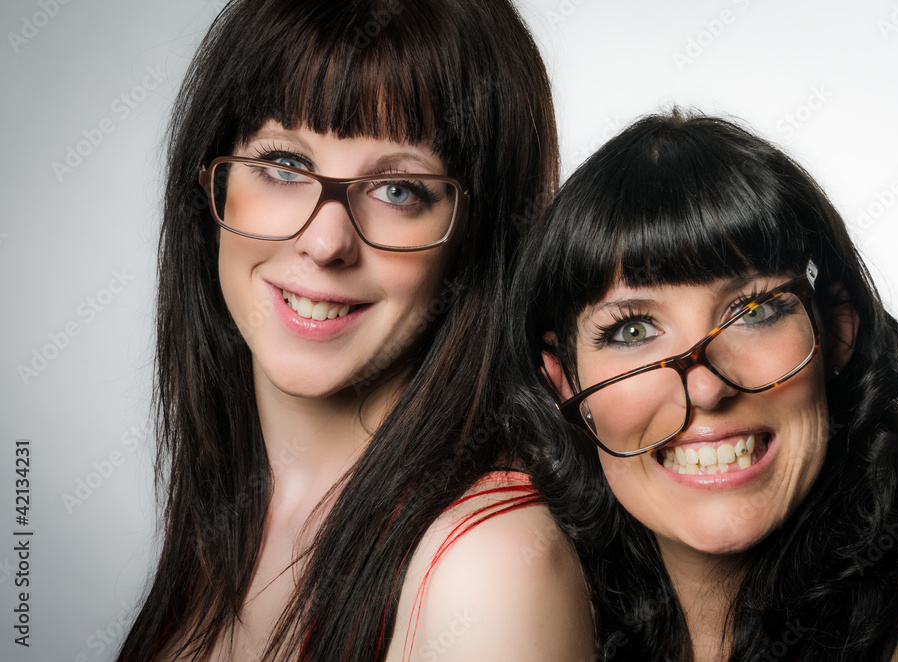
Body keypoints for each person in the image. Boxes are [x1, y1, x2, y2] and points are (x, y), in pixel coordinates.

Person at [116, 1, 594, 660]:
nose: (324, 241)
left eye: (399, 190)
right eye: (284, 164)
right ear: (210, 184)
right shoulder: (223, 504)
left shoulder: (488, 571)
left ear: (480, 238)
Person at [510, 110, 898, 661]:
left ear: (836, 329)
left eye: (754, 310)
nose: (705, 390)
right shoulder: (533, 623)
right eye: (633, 329)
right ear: (562, 381)